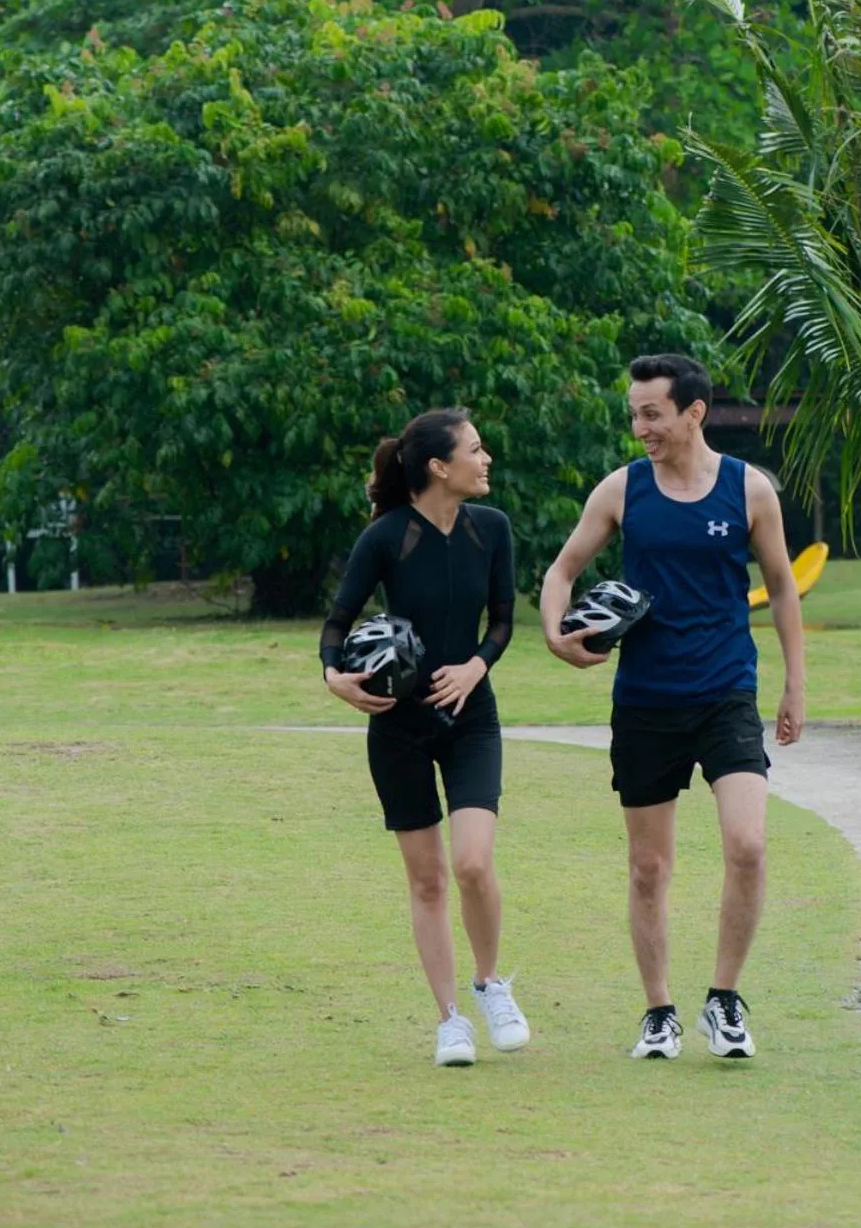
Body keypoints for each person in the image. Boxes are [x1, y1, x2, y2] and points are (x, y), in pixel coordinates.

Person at [540, 353, 805, 1061]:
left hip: (725, 693)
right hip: (646, 701)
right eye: (635, 413)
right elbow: (562, 571)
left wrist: (795, 684)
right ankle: (660, 1011)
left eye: (651, 413)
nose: (640, 427)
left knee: (747, 845)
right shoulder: (622, 490)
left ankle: (723, 999)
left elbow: (781, 587)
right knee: (648, 868)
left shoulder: (750, 491)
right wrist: (555, 634)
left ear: (694, 411)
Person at [320, 408, 530, 1067]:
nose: (486, 457)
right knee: (429, 881)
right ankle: (450, 1021)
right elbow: (337, 623)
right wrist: (337, 680)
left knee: (472, 863)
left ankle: (491, 983)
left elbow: (501, 620)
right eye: (475, 448)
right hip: (398, 726)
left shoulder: (491, 529)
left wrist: (476, 665)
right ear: (440, 466)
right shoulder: (384, 538)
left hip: (472, 718)